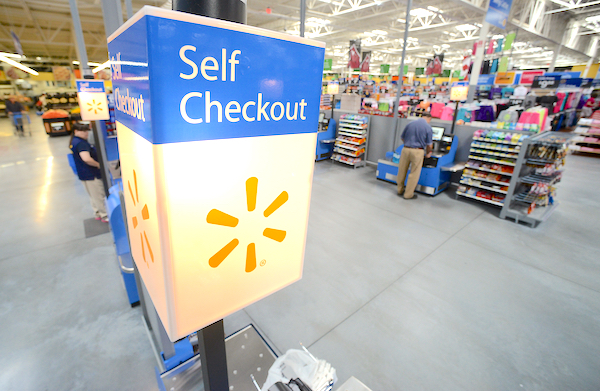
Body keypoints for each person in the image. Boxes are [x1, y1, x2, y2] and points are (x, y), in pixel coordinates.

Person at [70, 123, 108, 222]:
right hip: (92, 175)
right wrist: (99, 165)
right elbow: (87, 159)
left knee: (93, 195)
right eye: (83, 131)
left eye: (86, 131)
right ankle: (105, 215)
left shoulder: (74, 141)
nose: (86, 133)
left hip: (84, 174)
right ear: (76, 131)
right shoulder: (82, 143)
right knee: (99, 195)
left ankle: (98, 213)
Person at [396, 113, 433, 200]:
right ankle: (408, 194)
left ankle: (399, 190)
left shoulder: (410, 124)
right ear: (429, 118)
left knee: (402, 170)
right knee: (414, 173)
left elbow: (402, 137)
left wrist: (408, 144)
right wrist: (428, 153)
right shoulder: (428, 127)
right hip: (418, 151)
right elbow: (429, 145)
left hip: (405, 149)